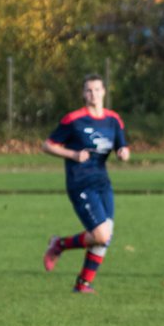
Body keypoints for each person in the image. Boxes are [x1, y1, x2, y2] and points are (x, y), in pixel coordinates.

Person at [41, 74, 130, 294]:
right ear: (83, 94)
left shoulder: (113, 120)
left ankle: (83, 284)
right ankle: (59, 245)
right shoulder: (74, 119)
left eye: (97, 90)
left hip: (102, 182)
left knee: (105, 235)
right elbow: (47, 145)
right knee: (100, 235)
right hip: (80, 183)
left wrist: (123, 153)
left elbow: (123, 147)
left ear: (104, 92)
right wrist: (72, 154)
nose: (93, 94)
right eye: (89, 90)